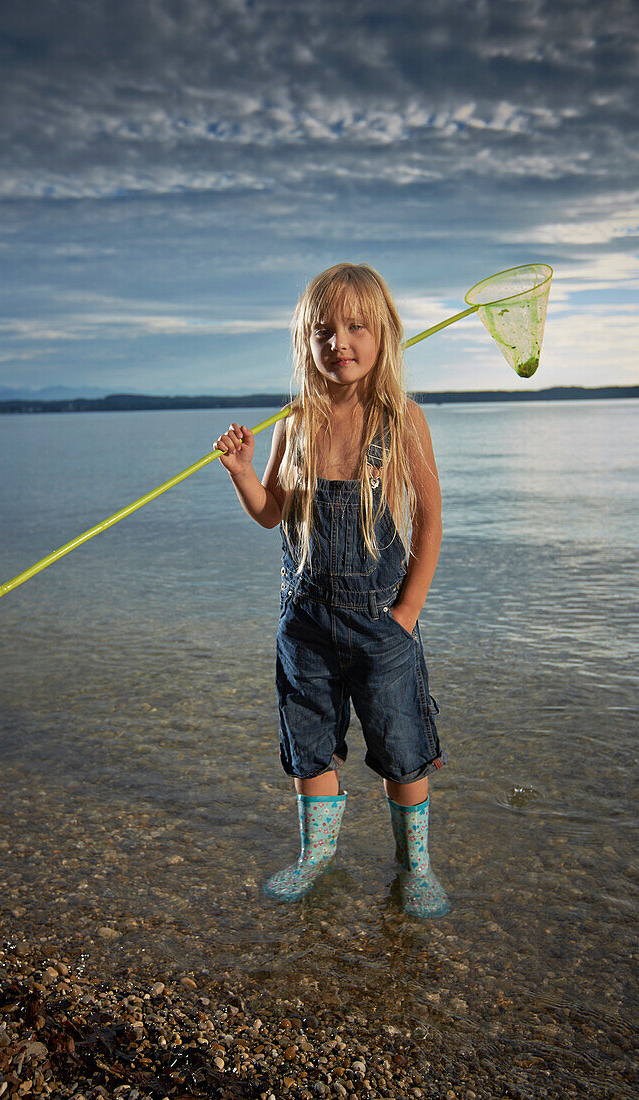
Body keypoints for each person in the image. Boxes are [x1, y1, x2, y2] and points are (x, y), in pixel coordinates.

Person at [213, 263, 449, 918]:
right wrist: (239, 470)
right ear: (304, 341)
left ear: (382, 336)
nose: (338, 342)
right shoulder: (294, 425)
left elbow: (430, 523)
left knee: (401, 747)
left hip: (382, 620)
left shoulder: (400, 420)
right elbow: (271, 513)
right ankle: (316, 855)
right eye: (323, 331)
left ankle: (415, 866)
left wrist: (406, 613)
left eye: (354, 327)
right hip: (306, 622)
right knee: (308, 740)